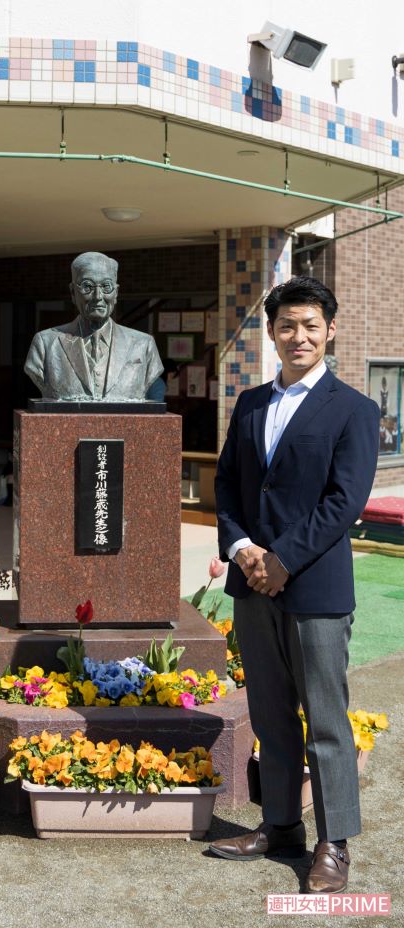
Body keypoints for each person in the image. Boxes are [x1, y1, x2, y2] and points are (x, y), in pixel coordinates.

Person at [211, 276, 379, 894]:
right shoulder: (251, 403)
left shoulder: (354, 410)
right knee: (270, 714)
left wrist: (282, 559)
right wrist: (242, 549)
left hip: (315, 588)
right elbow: (228, 485)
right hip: (253, 583)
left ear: (329, 330)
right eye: (287, 326)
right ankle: (279, 826)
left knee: (326, 718)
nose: (299, 336)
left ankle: (334, 844)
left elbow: (345, 502)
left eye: (310, 325)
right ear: (272, 332)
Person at [24, 251, 163, 401]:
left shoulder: (143, 344)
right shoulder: (46, 343)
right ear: (72, 292)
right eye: (87, 286)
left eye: (106, 286)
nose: (98, 296)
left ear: (116, 293)